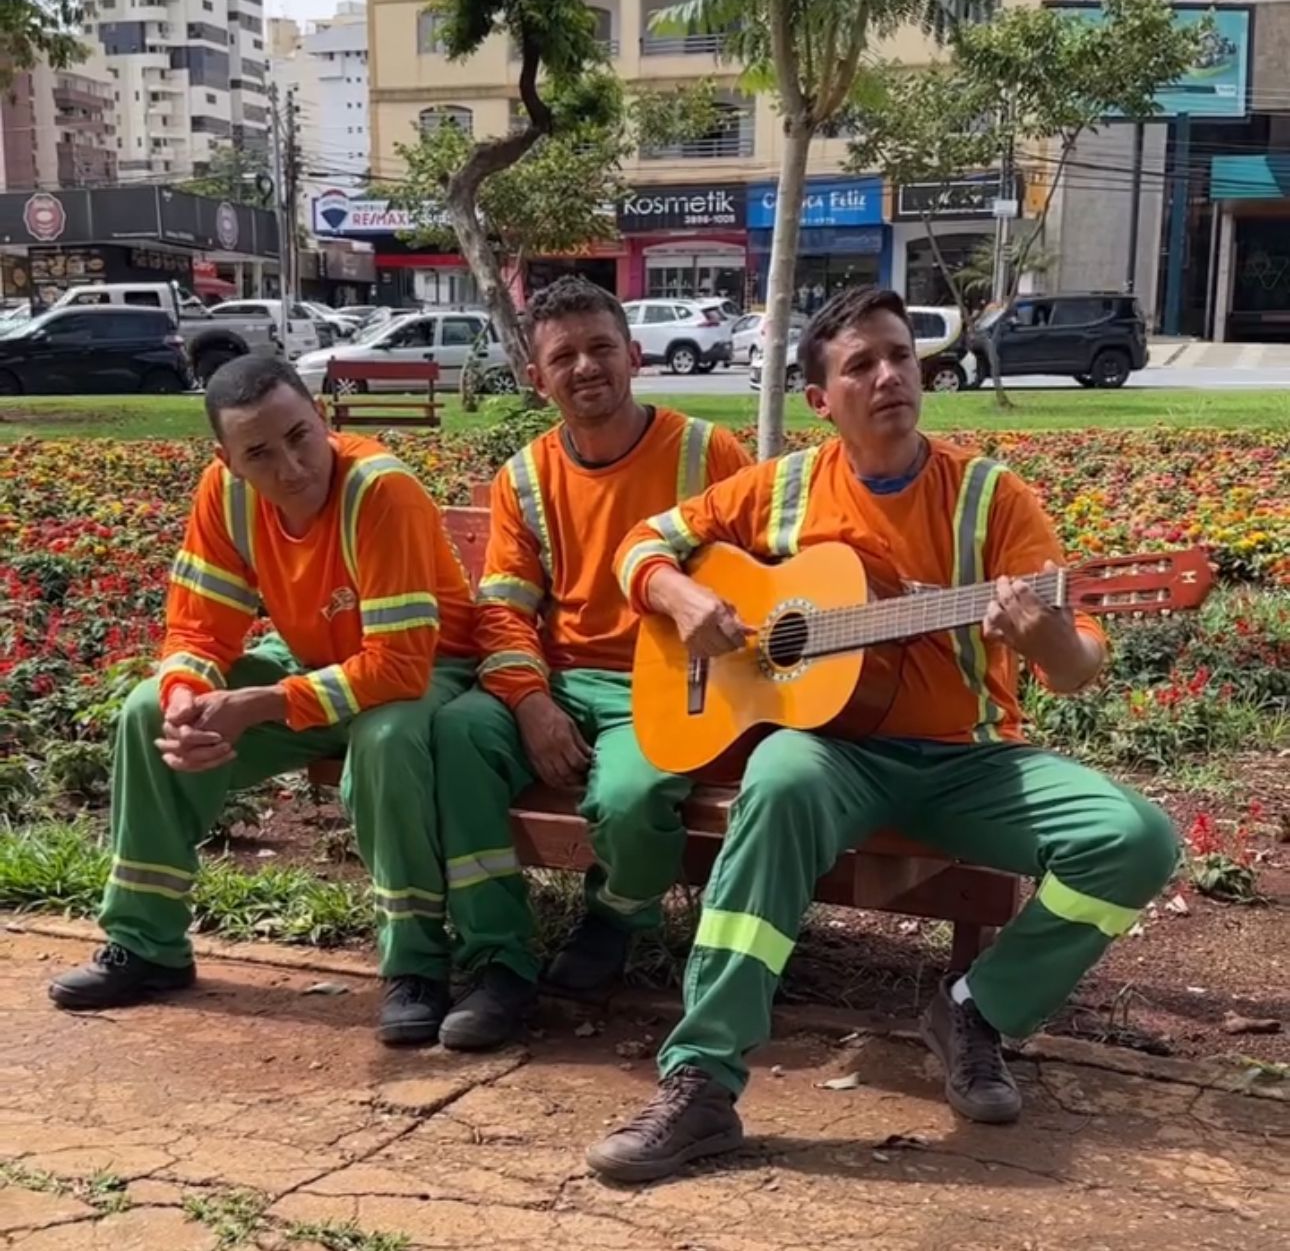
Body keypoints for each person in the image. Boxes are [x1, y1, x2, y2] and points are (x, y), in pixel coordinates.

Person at [587, 285, 1179, 1183]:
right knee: (779, 776)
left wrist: (1044, 630)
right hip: (836, 754)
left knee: (1137, 839)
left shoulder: (988, 497)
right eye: (861, 364)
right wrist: (679, 593)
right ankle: (703, 1081)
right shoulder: (781, 487)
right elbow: (642, 543)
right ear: (821, 400)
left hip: (969, 759)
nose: (891, 374)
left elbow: (1075, 666)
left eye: (901, 354)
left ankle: (976, 1010)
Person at [49, 355, 478, 1047]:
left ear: (323, 421)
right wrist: (189, 698)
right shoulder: (224, 494)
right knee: (148, 713)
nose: (291, 465)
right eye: (259, 452)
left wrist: (260, 703)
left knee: (385, 738)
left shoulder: (379, 489)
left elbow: (398, 666)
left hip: (431, 670)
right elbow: (196, 627)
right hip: (317, 667)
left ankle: (417, 964)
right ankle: (147, 942)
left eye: (300, 436)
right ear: (228, 459)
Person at [431, 276, 750, 1050]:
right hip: (560, 680)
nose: (585, 367)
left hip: (670, 682)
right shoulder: (526, 478)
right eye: (563, 355)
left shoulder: (709, 452)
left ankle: (617, 914)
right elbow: (503, 610)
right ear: (536, 378)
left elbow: (763, 575)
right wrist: (530, 700)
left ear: (634, 354)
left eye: (601, 346)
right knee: (458, 736)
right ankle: (498, 960)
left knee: (634, 793)